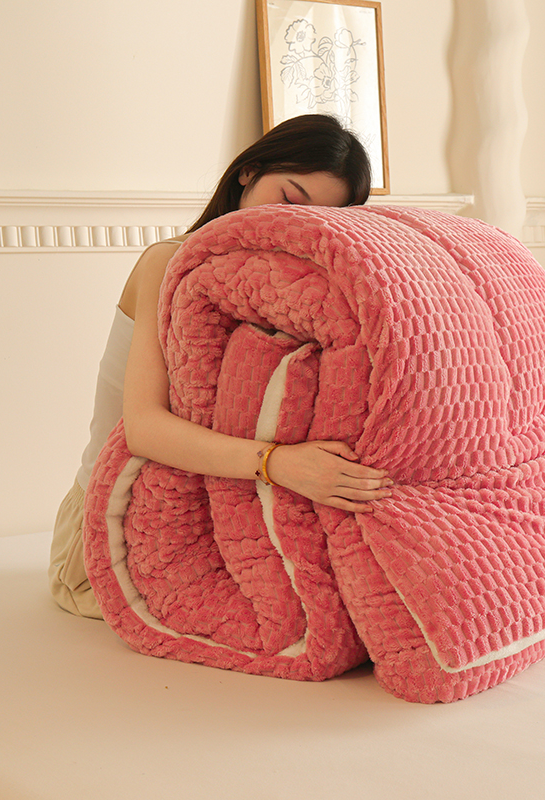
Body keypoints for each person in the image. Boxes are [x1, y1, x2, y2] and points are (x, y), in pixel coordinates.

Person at [49, 115, 393, 619]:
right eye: (288, 199)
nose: (290, 226)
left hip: (211, 521)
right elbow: (143, 429)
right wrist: (283, 465)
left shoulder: (283, 291)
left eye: (315, 219)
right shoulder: (166, 263)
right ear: (248, 173)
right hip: (109, 528)